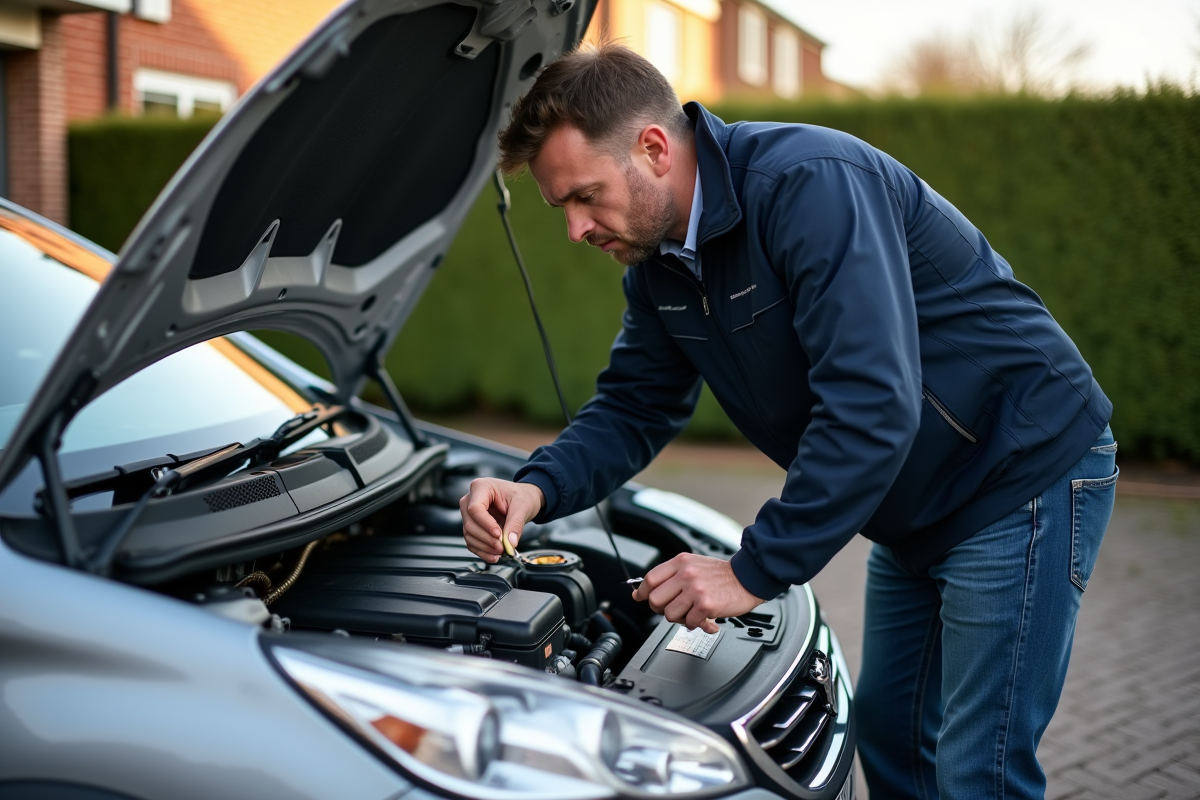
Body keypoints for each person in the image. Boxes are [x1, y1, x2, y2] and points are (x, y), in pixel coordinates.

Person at [458, 42, 1117, 800]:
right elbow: (636, 404)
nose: (576, 230)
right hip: (914, 503)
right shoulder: (659, 259)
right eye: (561, 208)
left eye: (585, 196)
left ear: (653, 148)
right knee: (892, 733)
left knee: (980, 768)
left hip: (1017, 471)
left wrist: (750, 571)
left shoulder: (811, 186)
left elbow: (872, 405)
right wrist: (536, 489)